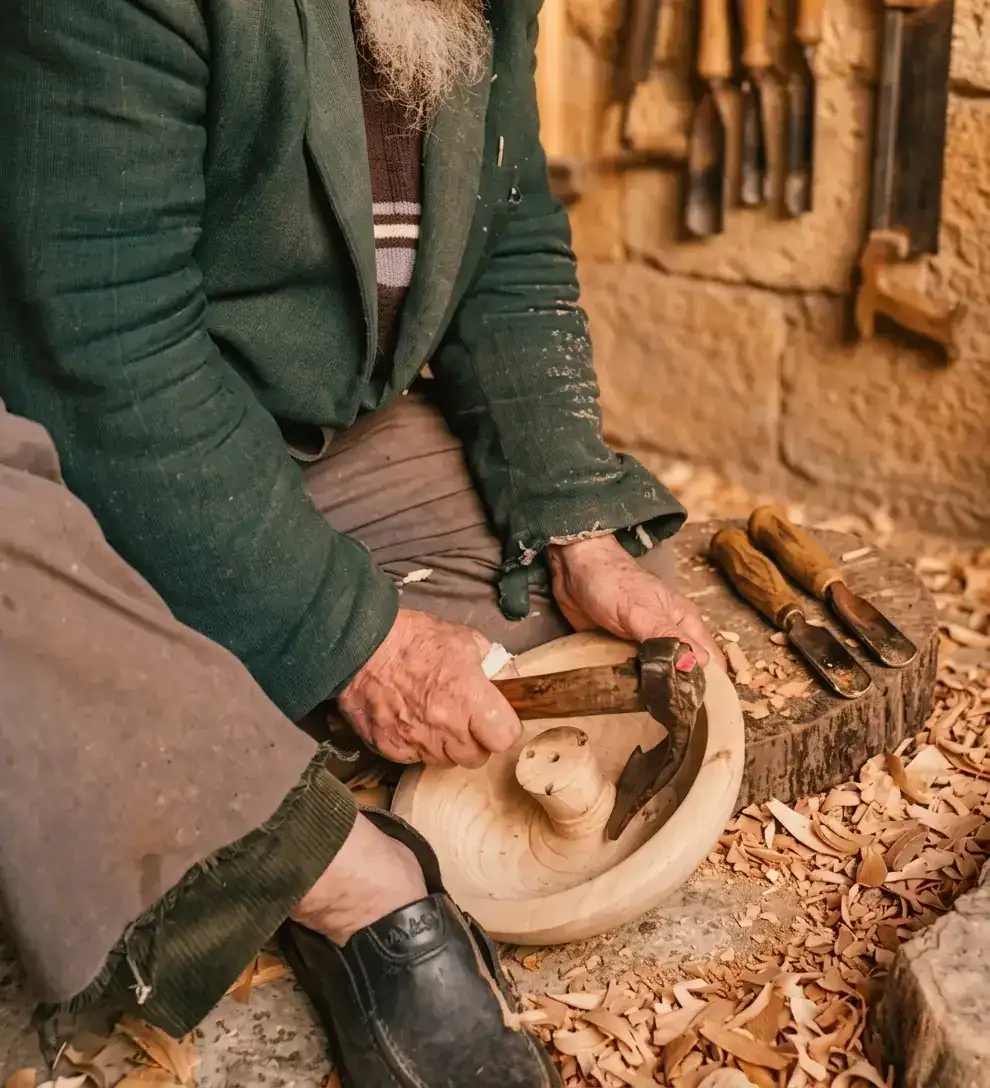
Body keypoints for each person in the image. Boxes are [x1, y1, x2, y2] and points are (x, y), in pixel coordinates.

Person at [0, 0, 722, 1084]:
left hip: (282, 435)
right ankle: (343, 876)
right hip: (64, 445)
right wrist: (361, 642)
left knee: (564, 616)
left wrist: (576, 521)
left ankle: (216, 727)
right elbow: (103, 356)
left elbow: (509, 228)